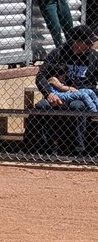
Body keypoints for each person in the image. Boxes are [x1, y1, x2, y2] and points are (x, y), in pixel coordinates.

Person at [33, 24, 98, 154]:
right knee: (42, 106)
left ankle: (79, 151)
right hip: (58, 93)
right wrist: (49, 94)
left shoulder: (93, 56)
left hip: (82, 94)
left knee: (77, 106)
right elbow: (41, 76)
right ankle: (41, 149)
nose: (91, 46)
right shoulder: (58, 53)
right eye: (87, 43)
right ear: (77, 42)